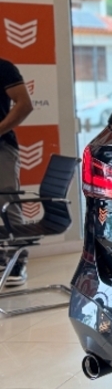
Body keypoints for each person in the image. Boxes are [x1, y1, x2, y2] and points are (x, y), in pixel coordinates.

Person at [0, 58, 34, 286]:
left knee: (7, 204)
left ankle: (17, 262)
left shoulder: (3, 68)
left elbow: (24, 104)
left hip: (2, 147)